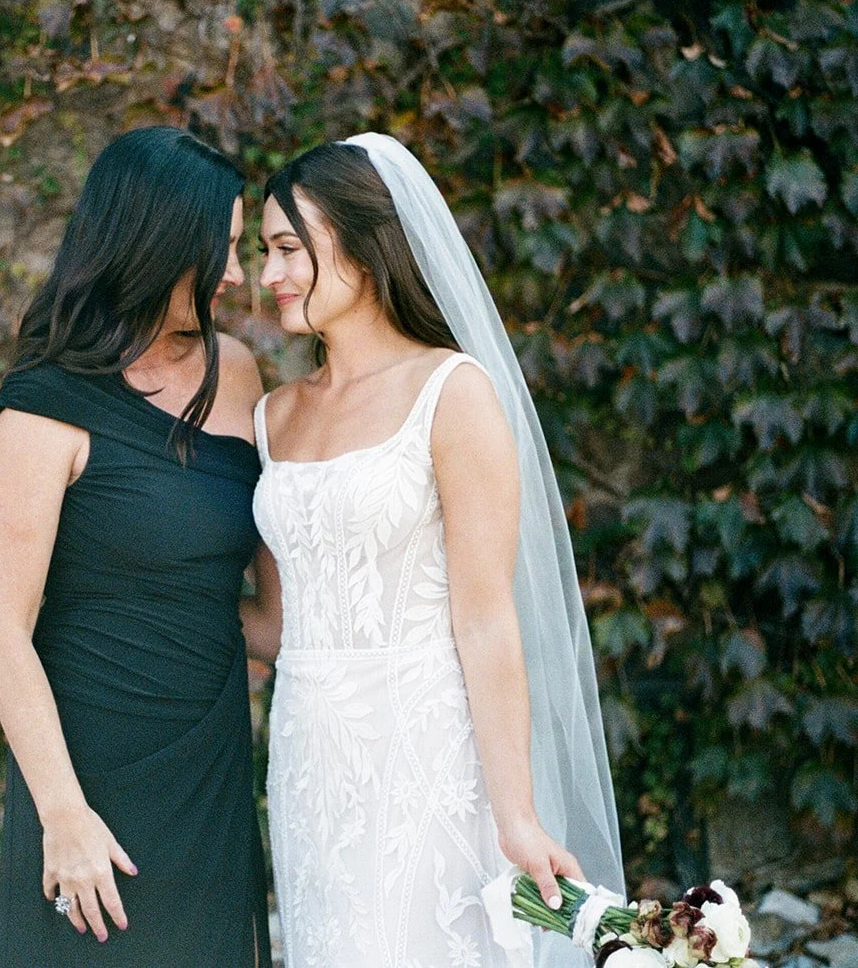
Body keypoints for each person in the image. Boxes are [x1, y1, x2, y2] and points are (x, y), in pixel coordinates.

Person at [240, 135, 625, 968]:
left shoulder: (452, 393)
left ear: (363, 242)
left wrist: (516, 813)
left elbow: (487, 619)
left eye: (287, 249)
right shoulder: (272, 418)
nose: (270, 275)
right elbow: (277, 624)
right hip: (309, 761)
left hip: (426, 752)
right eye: (262, 253)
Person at [0, 125, 271, 966]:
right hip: (89, 766)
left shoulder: (238, 371)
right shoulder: (46, 405)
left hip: (208, 758)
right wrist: (64, 814)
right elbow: (0, 630)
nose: (240, 274)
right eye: (226, 250)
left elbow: (262, 613)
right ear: (161, 244)